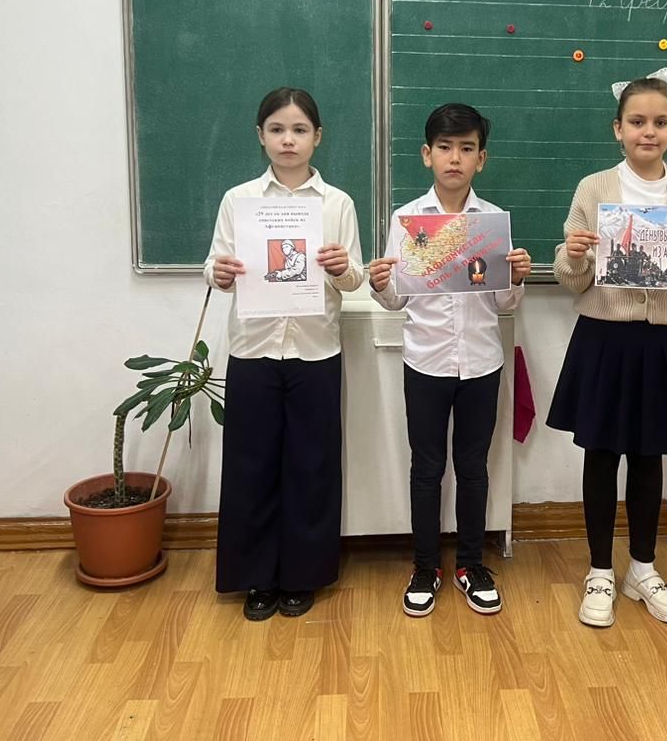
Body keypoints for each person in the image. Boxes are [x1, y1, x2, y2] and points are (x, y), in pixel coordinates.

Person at [548, 67, 667, 628]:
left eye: (660, 122)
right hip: (605, 339)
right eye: (637, 121)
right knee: (600, 454)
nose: (648, 132)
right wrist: (574, 255)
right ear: (618, 129)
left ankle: (642, 567)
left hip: (663, 342)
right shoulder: (594, 188)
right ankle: (599, 571)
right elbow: (570, 278)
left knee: (649, 457)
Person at [204, 86, 364, 621]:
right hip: (253, 351)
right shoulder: (239, 200)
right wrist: (220, 272)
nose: (288, 140)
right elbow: (215, 267)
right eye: (277, 129)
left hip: (316, 350)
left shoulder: (337, 203)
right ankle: (256, 578)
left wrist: (341, 267)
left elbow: (355, 278)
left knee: (311, 466)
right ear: (261, 136)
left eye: (299, 130)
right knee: (250, 465)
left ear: (317, 137)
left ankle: (302, 575)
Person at [369, 103, 532, 617]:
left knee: (473, 467)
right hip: (426, 360)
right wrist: (381, 284)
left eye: (466, 148)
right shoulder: (408, 222)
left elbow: (502, 304)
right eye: (445, 147)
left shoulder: (492, 223)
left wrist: (517, 278)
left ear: (481, 158)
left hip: (481, 361)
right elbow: (397, 299)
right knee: (426, 468)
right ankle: (425, 566)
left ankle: (470, 564)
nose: (454, 158)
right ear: (427, 155)